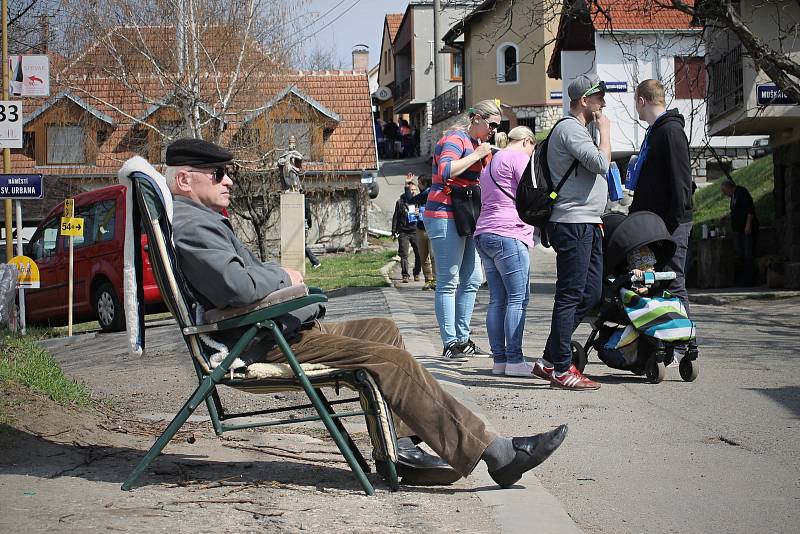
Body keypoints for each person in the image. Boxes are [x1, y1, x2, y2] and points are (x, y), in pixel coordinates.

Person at [163, 137, 568, 489]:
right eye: (217, 173)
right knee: (389, 361)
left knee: (382, 330)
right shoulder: (192, 225)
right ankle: (496, 453)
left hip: (269, 331)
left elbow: (241, 281)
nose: (228, 179)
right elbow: (237, 286)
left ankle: (403, 449)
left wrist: (279, 281)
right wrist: (282, 274)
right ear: (184, 179)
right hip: (259, 343)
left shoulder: (201, 219)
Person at [532, 74, 610, 391]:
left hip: (588, 220)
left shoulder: (578, 130)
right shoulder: (569, 129)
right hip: (572, 222)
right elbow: (600, 164)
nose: (603, 102)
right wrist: (605, 133)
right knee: (569, 296)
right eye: (599, 96)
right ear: (583, 100)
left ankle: (550, 360)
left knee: (590, 294)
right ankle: (563, 369)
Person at [425, 99, 502, 361]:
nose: (493, 130)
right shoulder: (456, 139)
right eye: (491, 124)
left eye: (497, 126)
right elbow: (446, 170)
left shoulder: (479, 145)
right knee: (449, 280)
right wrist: (477, 156)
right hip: (444, 214)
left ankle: (462, 338)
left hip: (466, 215)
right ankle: (449, 343)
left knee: (471, 279)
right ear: (477, 118)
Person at [474, 126, 537, 377]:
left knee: (498, 300)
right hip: (508, 233)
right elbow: (531, 192)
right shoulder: (519, 158)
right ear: (527, 142)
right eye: (533, 147)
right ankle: (515, 361)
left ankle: (499, 360)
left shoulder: (489, 165)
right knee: (517, 298)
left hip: (484, 233)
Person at [628, 79, 694, 311]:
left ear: (642, 100)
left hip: (671, 224)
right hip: (657, 224)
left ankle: (685, 344)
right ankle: (663, 343)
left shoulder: (670, 132)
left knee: (673, 281)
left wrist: (671, 225)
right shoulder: (656, 132)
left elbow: (682, 182)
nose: (636, 108)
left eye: (636, 102)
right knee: (658, 282)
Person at [721, 180, 759, 286]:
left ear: (729, 187)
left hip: (747, 228)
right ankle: (745, 278)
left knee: (748, 253)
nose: (724, 194)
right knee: (742, 253)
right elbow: (736, 211)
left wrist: (748, 225)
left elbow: (750, 209)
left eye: (724, 191)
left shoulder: (741, 192)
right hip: (739, 230)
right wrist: (727, 218)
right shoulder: (733, 196)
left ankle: (750, 280)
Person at [407, 174, 436, 290]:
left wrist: (422, 212)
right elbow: (411, 203)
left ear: (425, 184)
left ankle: (435, 280)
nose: (418, 185)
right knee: (423, 256)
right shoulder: (422, 195)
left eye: (419, 183)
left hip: (432, 229)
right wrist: (407, 185)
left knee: (433, 256)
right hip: (420, 228)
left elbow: (411, 200)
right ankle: (428, 279)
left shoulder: (430, 193)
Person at [392, 179, 422, 283]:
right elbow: (395, 217)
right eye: (411, 190)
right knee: (404, 254)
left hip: (415, 230)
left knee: (419, 253)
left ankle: (417, 273)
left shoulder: (418, 201)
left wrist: (419, 214)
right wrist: (394, 231)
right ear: (407, 191)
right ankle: (405, 275)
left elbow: (424, 215)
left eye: (414, 190)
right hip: (403, 231)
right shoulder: (400, 202)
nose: (413, 191)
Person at [304, 197, 321, 269]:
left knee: (303, 246)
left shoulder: (303, 201)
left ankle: (315, 261)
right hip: (304, 226)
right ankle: (315, 262)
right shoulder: (304, 201)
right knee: (302, 246)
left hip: (302, 227)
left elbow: (307, 213)